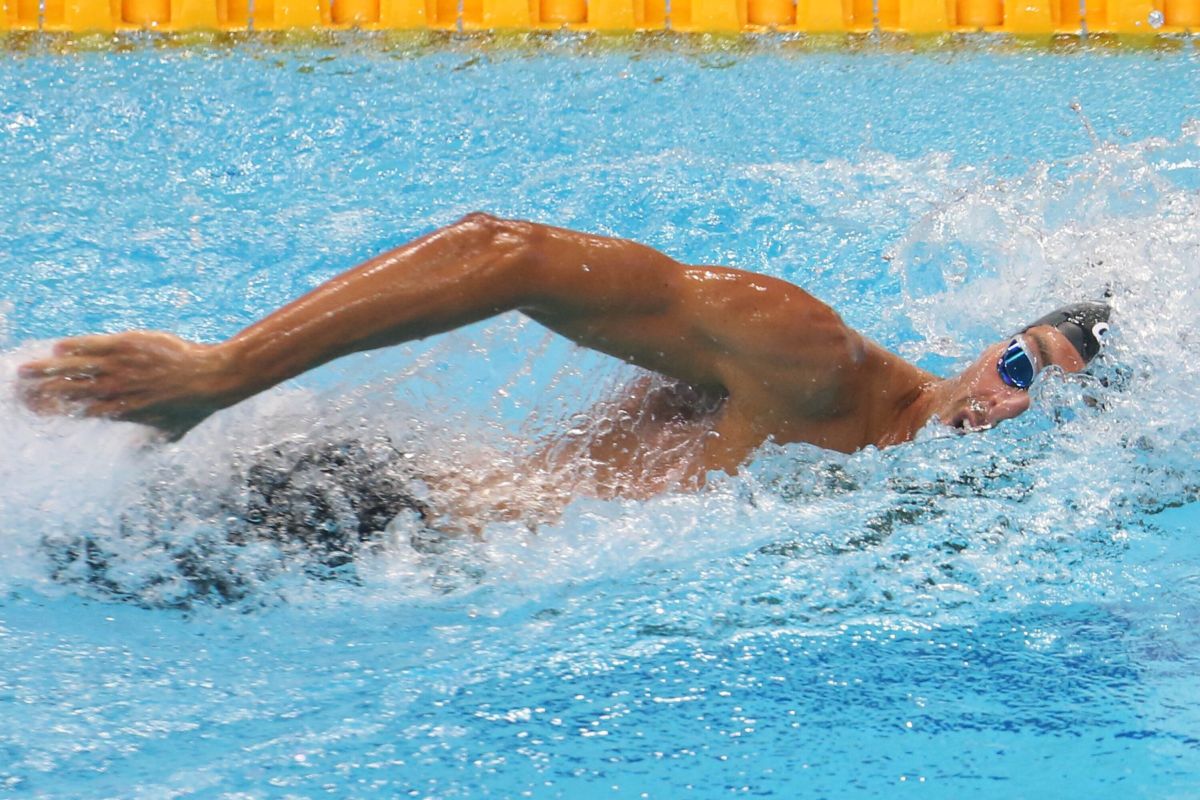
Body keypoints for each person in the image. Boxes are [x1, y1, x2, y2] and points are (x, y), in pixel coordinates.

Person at [18, 213, 1111, 506]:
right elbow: (508, 253)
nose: (1002, 413)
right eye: (1020, 368)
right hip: (352, 515)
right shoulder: (805, 356)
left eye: (1046, 408)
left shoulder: (942, 506)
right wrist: (221, 373)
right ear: (989, 341)